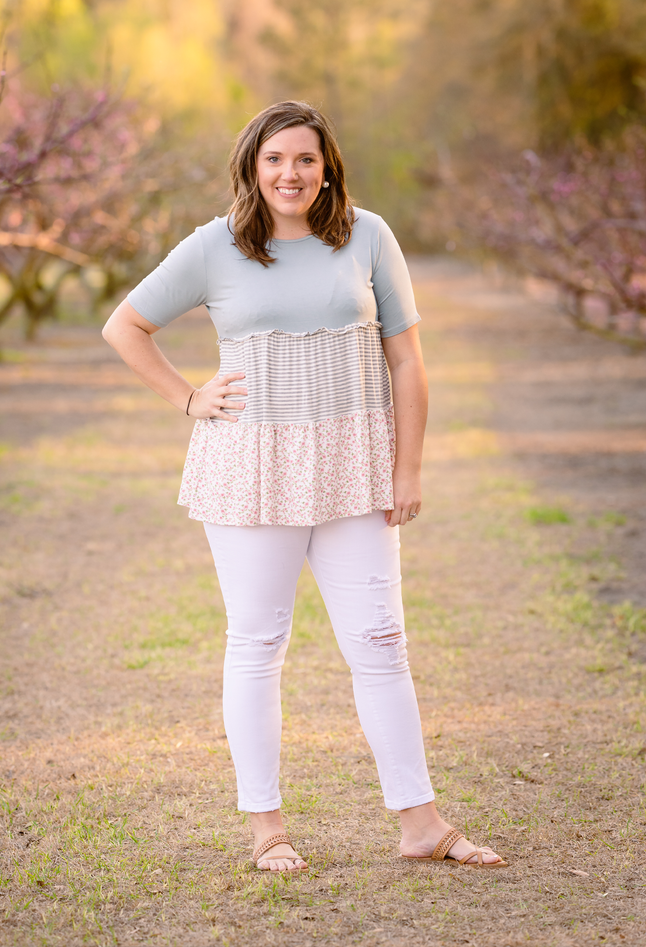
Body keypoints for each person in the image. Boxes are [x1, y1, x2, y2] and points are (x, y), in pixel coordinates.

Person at [103, 100, 507, 871]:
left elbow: (408, 362)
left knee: (382, 644)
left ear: (328, 170)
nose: (291, 173)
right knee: (257, 644)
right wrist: (190, 397)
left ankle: (421, 825)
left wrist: (408, 465)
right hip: (252, 469)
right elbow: (124, 326)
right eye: (276, 159)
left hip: (356, 466)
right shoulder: (215, 246)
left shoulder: (369, 236)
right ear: (253, 167)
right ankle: (268, 830)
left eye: (306, 160)